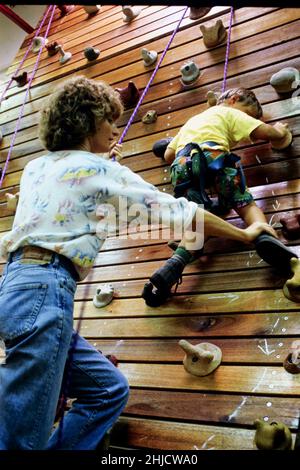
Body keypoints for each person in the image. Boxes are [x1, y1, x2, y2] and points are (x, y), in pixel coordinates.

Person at [0, 77, 282, 449]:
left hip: (19, 285)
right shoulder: (97, 171)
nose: (115, 129)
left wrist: (102, 168)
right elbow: (180, 213)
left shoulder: (38, 167)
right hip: (46, 289)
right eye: (110, 121)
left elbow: (79, 201)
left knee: (108, 390)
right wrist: (245, 234)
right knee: (22, 440)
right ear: (91, 121)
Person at [147, 88, 298, 305]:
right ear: (233, 100)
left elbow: (169, 154)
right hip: (215, 157)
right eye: (248, 113)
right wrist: (280, 130)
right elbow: (263, 132)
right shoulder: (229, 112)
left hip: (182, 167)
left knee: (199, 220)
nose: (248, 118)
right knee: (243, 202)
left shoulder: (192, 120)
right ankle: (263, 232)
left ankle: (175, 264)